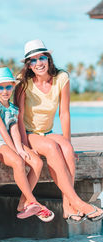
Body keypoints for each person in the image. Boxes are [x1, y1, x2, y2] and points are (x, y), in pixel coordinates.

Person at [15, 39, 103, 223]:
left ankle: (67, 207)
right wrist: (24, 147)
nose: (39, 63)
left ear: (48, 58)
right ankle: (77, 202)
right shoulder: (23, 83)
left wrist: (68, 141)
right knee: (53, 148)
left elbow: (64, 113)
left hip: (47, 131)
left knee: (67, 150)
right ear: (28, 65)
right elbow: (18, 117)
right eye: (33, 60)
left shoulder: (62, 78)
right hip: (29, 133)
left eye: (42, 57)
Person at [0, 67, 55, 222]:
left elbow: (14, 130)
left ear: (13, 86)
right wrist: (15, 151)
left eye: (8, 87)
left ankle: (23, 202)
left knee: (37, 162)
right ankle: (33, 201)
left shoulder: (13, 109)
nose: (5, 91)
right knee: (17, 161)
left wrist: (20, 148)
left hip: (9, 140)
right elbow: (1, 129)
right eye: (0, 87)